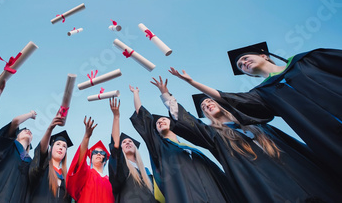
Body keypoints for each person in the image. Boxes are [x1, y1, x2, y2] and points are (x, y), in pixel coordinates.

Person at [151, 76, 341, 202]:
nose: (207, 104)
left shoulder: (258, 125)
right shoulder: (214, 135)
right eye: (204, 106)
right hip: (269, 188)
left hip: (304, 177)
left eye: (210, 101)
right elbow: (188, 123)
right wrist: (166, 96)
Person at [170, 41, 342, 177]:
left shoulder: (307, 60)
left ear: (264, 56)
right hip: (327, 136)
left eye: (245, 59)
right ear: (249, 75)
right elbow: (228, 98)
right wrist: (192, 82)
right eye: (240, 65)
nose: (243, 63)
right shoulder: (262, 94)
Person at [129, 85, 234, 203]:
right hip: (185, 196)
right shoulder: (159, 146)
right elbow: (143, 118)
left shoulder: (191, 149)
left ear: (173, 125)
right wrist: (136, 93)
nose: (161, 121)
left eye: (164, 119)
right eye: (158, 122)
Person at [108, 97, 156, 203]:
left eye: (130, 141)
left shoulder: (146, 174)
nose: (128, 142)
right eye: (124, 142)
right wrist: (116, 117)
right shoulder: (122, 167)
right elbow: (115, 148)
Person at [66, 117, 114, 203]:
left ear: (105, 160)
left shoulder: (111, 182)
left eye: (102, 153)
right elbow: (80, 162)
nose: (98, 154)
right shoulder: (87, 173)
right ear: (90, 158)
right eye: (95, 152)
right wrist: (87, 137)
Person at [28, 118, 73, 203]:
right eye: (58, 144)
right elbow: (41, 151)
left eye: (64, 146)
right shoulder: (43, 167)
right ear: (50, 148)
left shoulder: (66, 178)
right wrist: (50, 129)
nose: (61, 147)